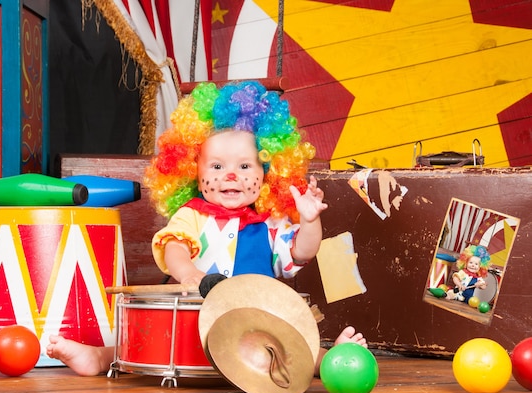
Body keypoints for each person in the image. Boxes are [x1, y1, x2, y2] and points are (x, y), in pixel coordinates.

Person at [47, 81, 367, 376]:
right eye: (217, 166)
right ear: (193, 173)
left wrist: (310, 220)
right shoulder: (193, 216)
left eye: (244, 166)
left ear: (267, 172)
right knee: (150, 344)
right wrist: (187, 273)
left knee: (292, 351)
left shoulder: (268, 224)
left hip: (254, 320)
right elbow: (173, 246)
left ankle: (329, 360)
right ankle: (101, 358)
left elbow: (302, 252)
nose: (231, 175)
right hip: (195, 317)